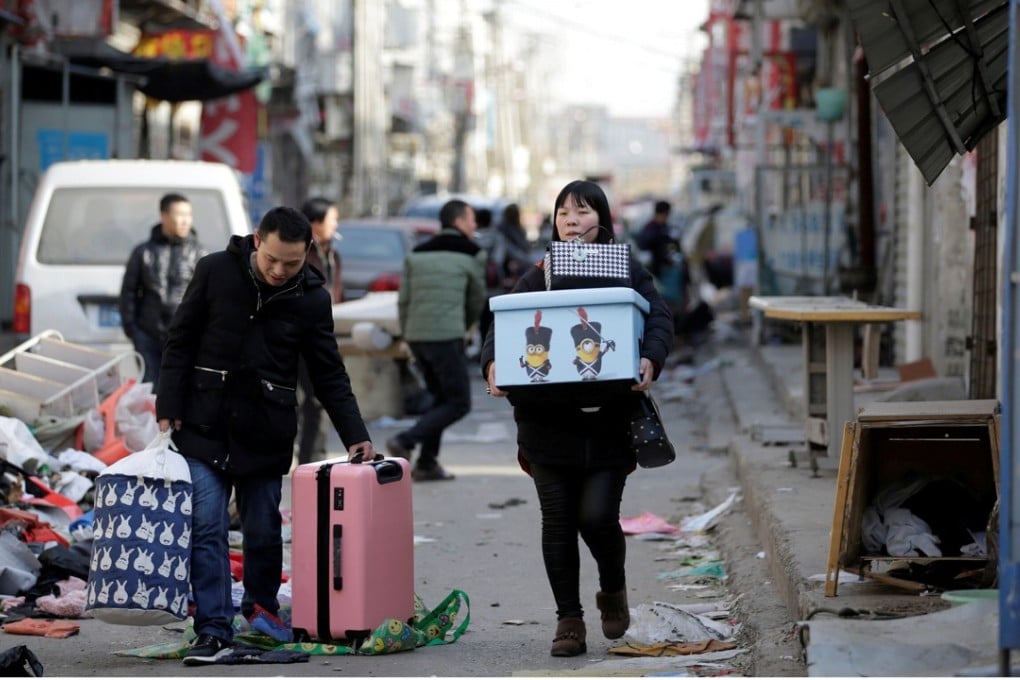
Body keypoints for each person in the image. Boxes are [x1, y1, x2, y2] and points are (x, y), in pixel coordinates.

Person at [155, 206, 375, 665]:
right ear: (258, 240)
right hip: (204, 423)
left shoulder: (312, 297)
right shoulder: (215, 270)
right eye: (272, 259)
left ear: (307, 253)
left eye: (291, 263)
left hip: (265, 430)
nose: (279, 270)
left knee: (263, 529)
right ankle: (213, 627)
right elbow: (181, 339)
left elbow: (328, 373)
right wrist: (169, 406)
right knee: (208, 525)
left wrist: (354, 433)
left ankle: (260, 610)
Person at [479, 180, 673, 657]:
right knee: (559, 521)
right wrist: (492, 364)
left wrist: (651, 357)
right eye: (563, 213)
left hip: (610, 420)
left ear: (603, 221)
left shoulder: (626, 268)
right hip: (547, 423)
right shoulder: (540, 274)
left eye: (583, 212)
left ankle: (613, 586)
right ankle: (569, 620)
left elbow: (660, 318)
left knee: (598, 516)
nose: (571, 220)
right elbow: (497, 326)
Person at [386, 199, 487, 481]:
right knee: (459, 402)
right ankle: (406, 440)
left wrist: (408, 333)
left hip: (417, 336)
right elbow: (476, 299)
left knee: (440, 399)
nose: (474, 225)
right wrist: (464, 326)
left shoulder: (417, 253)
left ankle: (427, 463)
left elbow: (404, 300)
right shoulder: (473, 253)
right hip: (446, 335)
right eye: (471, 219)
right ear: (457, 222)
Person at [119, 193, 206, 387]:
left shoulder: (199, 254)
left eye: (189, 215)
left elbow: (207, 299)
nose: (186, 221)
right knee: (151, 391)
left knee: (179, 390)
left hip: (184, 338)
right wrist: (133, 330)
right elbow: (128, 293)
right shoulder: (143, 252)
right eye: (180, 215)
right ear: (164, 216)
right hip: (148, 336)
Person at [295, 196, 343, 466]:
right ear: (314, 223)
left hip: (322, 336)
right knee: (305, 400)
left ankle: (313, 458)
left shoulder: (332, 253)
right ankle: (306, 456)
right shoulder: (300, 255)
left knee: (320, 399)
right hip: (298, 337)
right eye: (332, 220)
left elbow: (338, 294)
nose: (336, 225)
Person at [492, 203, 533, 291]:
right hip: (510, 264)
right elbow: (510, 248)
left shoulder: (501, 228)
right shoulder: (509, 229)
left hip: (510, 264)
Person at [635, 200, 680, 279]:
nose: (667, 218)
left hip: (664, 268)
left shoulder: (664, 227)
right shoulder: (650, 229)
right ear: (661, 214)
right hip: (654, 270)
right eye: (666, 215)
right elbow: (642, 245)